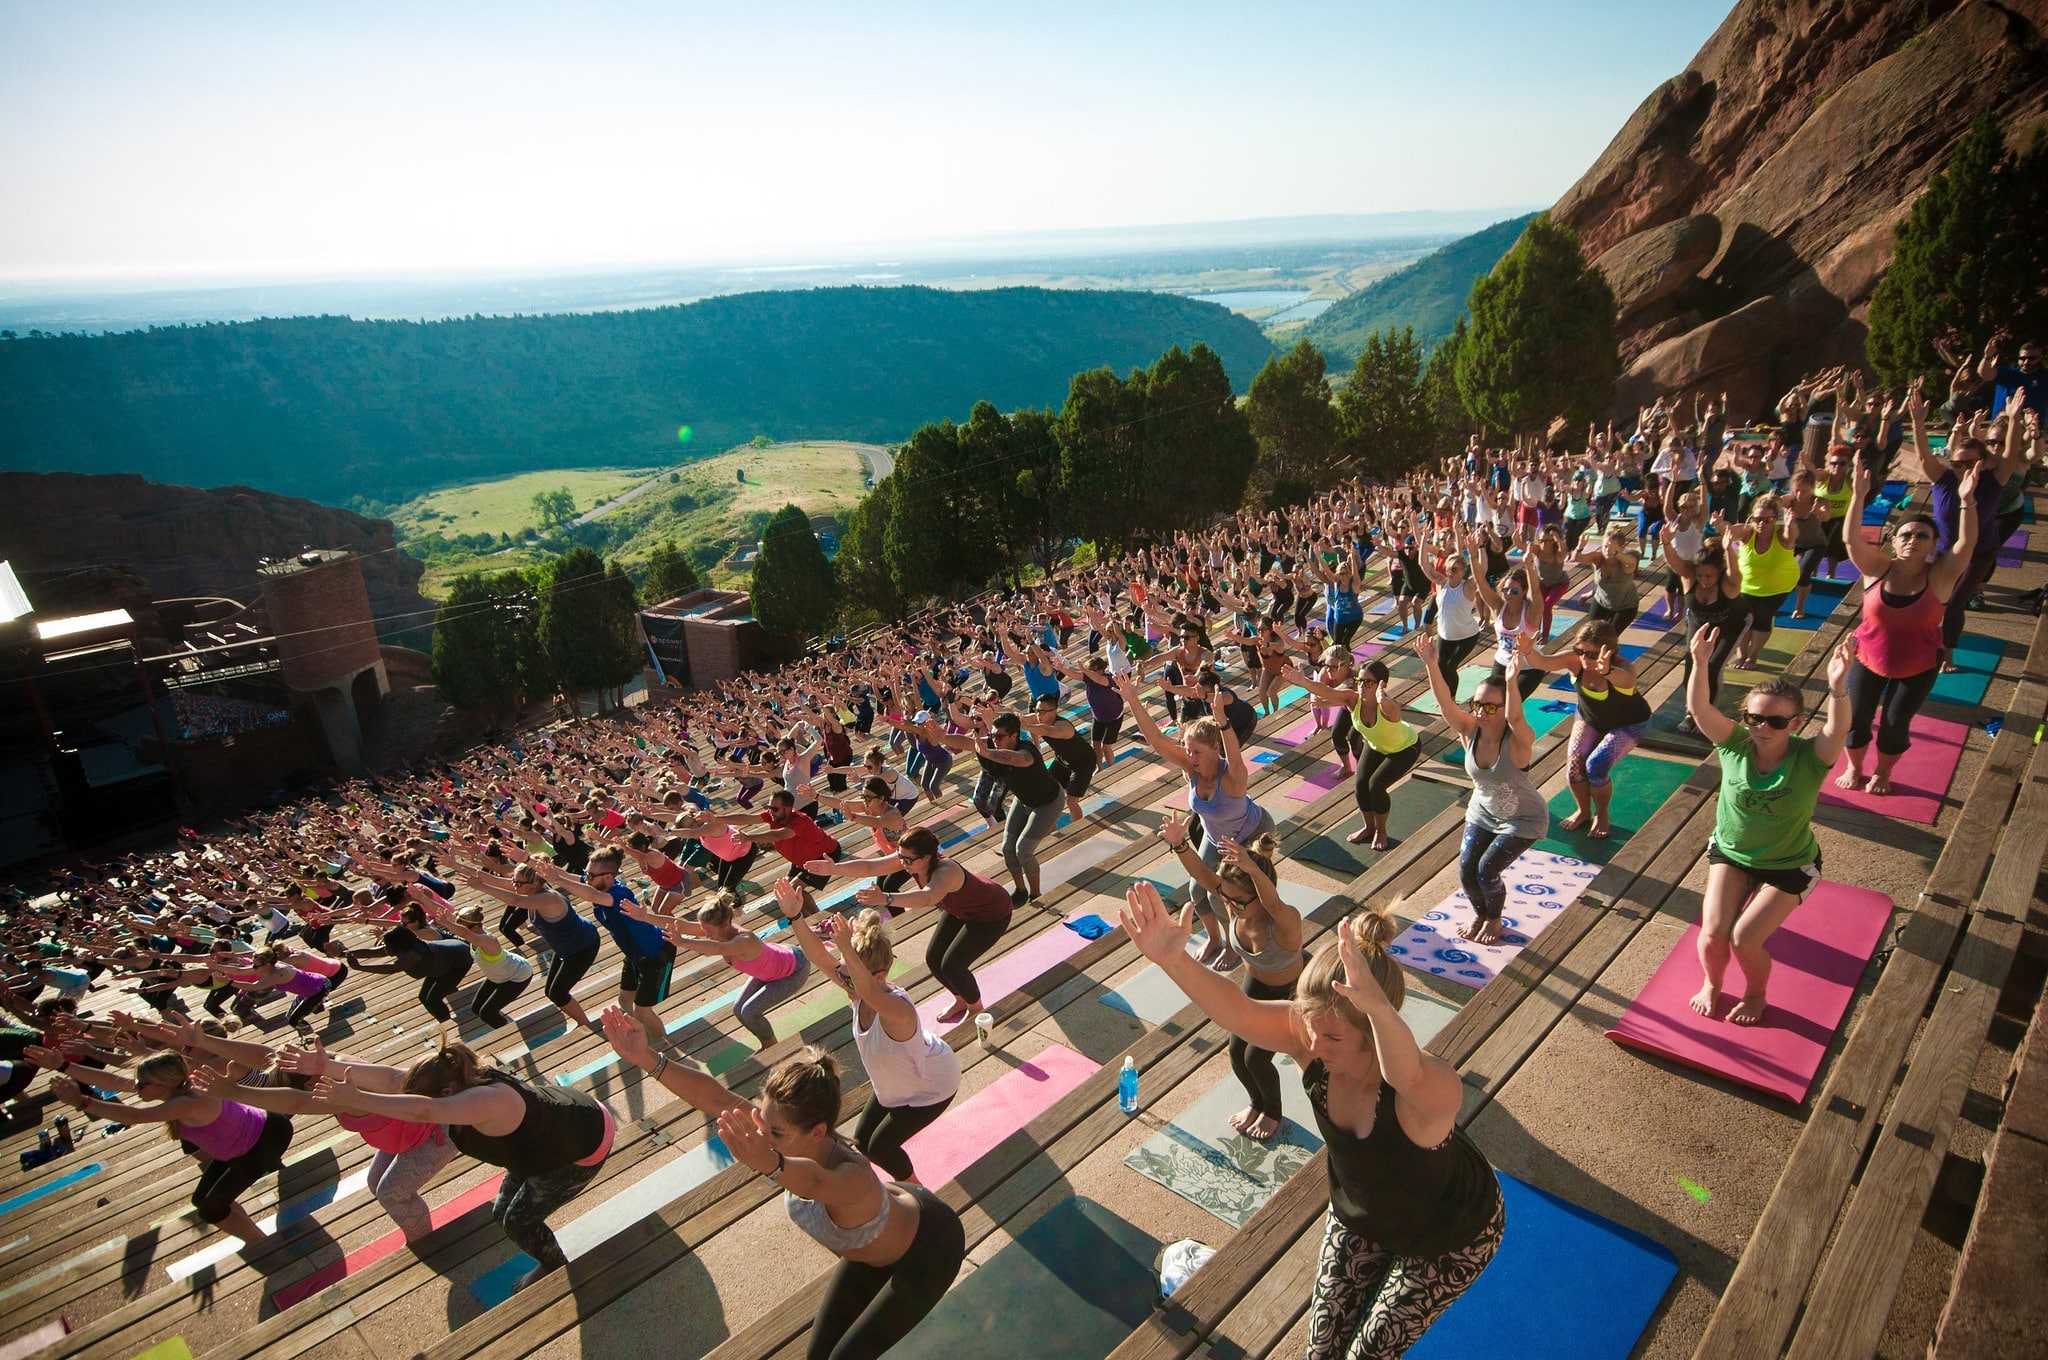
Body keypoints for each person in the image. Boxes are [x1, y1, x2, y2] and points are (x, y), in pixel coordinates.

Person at [1119, 886, 1503, 1360]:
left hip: (1448, 1237)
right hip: (1363, 1214)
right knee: (1321, 1352)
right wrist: (1174, 960)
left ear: (1373, 1028)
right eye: (1310, 1027)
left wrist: (1379, 1008)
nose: (1313, 1045)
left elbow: (1408, 1072)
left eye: (1333, 1036)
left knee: (1367, 1356)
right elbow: (1241, 1013)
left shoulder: (1425, 1092)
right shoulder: (1312, 1034)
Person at [718, 1050, 967, 1360]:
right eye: (763, 1127)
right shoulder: (786, 1129)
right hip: (875, 1246)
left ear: (818, 1131)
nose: (764, 1137)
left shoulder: (853, 1175)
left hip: (930, 1249)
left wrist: (767, 1162)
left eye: (776, 1134)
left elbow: (815, 1183)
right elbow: (713, 1096)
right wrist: (649, 1058)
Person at [314, 1040, 613, 1292]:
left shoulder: (486, 1100)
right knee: (500, 1211)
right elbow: (394, 1080)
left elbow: (423, 1110)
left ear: (446, 1093)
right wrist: (324, 1066)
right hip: (551, 1134)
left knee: (517, 1222)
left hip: (583, 1143)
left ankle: (555, 1267)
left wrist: (358, 1100)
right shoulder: (455, 1079)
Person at [1683, 626, 1853, 1024]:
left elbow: (1837, 730)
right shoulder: (1734, 744)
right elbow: (1701, 709)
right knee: (1712, 934)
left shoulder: (1811, 757)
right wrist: (1702, 662)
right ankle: (1712, 984)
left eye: (1776, 722)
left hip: (1790, 865)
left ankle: (1756, 995)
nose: (1763, 728)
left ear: (1796, 723)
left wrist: (1838, 689)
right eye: (1755, 718)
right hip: (1731, 853)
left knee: (1745, 939)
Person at [783, 891, 960, 1182]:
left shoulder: (897, 1010)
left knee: (880, 1147)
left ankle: (918, 1194)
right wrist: (795, 917)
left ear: (879, 977)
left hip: (934, 1085)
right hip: (898, 1083)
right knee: (863, 1142)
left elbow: (866, 991)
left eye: (849, 972)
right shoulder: (858, 989)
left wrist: (847, 951)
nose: (841, 976)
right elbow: (820, 958)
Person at [1834, 459, 1978, 793]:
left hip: (1918, 664)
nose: (1913, 539)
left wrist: (1967, 500)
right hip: (1867, 657)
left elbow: (1967, 545)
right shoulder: (1877, 568)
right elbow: (1851, 540)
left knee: (1895, 724)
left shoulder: (1940, 576)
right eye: (1906, 535)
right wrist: (1858, 495)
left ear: (1932, 545)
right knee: (1856, 719)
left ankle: (1883, 773)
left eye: (1922, 536)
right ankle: (1854, 767)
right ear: (1895, 541)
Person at [52, 1050, 295, 1245]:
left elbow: (133, 1117)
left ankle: (263, 1245)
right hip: (248, 1139)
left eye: (141, 1084)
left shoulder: (188, 1101)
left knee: (211, 1209)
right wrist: (63, 1065)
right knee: (202, 1200)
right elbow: (113, 1081)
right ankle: (256, 1237)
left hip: (265, 1138)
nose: (136, 1088)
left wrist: (81, 1102)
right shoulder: (177, 1088)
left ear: (160, 1084)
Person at [1158, 817, 1304, 1140]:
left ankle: (1273, 1113)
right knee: (1237, 1052)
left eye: (1236, 901)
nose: (1228, 904)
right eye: (1226, 897)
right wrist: (1180, 842)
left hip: (1290, 990)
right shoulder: (1235, 900)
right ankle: (1257, 1102)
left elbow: (1274, 901)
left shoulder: (1283, 923)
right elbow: (1200, 874)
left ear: (1258, 894)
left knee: (1257, 1056)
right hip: (1256, 982)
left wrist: (1253, 868)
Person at [1119, 672, 1271, 972]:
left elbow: (1236, 757)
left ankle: (1233, 945)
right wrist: (1133, 700)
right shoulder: (1192, 767)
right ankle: (1215, 939)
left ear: (1215, 748)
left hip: (1250, 835)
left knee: (1223, 897)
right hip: (1218, 838)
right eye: (1188, 752)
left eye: (1197, 752)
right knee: (1196, 892)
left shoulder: (1233, 777)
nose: (1191, 758)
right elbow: (1157, 740)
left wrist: (1223, 722)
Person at [809, 826, 1014, 1026]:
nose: (902, 863)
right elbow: (871, 866)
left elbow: (927, 898)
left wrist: (886, 898)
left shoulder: (946, 870)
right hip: (959, 909)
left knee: (953, 965)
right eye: (900, 856)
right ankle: (961, 999)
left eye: (907, 859)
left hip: (991, 913)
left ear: (926, 857)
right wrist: (835, 868)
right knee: (933, 959)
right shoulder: (911, 860)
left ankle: (976, 1008)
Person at [1416, 636, 1548, 946]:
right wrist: (1432, 665)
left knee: (1487, 870)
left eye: (1490, 706)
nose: (1481, 711)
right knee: (1466, 871)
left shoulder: (1519, 740)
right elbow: (1446, 704)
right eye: (1477, 704)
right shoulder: (1470, 730)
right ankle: (1479, 913)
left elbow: (1515, 717)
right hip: (1482, 810)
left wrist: (1512, 680)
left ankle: (1494, 918)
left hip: (1523, 818)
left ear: (1503, 708)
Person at [1516, 620, 1651, 839]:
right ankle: (1583, 811)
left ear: (1609, 651)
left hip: (1629, 724)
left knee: (1596, 765)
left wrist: (1606, 671)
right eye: (1580, 651)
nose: (1584, 657)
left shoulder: (1624, 669)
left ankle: (1602, 814)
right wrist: (1528, 651)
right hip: (1591, 717)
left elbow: (1626, 680)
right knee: (1574, 767)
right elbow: (1542, 662)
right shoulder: (1575, 661)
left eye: (1591, 654)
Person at [532, 847, 675, 1051]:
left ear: (608, 877)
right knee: (624, 999)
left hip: (655, 955)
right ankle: (646, 1041)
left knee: (642, 1011)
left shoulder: (617, 895)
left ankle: (665, 1047)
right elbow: (572, 877)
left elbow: (590, 894)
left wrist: (560, 881)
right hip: (635, 955)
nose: (586, 878)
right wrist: (528, 860)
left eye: (590, 875)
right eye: (587, 873)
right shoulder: (603, 885)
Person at [633, 890, 811, 1048]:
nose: (706, 934)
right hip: (773, 966)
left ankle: (771, 1046)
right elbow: (682, 924)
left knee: (749, 1013)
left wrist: (683, 942)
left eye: (709, 931)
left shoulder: (744, 940)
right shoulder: (719, 929)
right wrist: (645, 917)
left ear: (726, 924)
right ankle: (767, 1044)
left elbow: (719, 949)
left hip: (794, 970)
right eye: (704, 929)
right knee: (738, 1009)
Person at [1285, 658, 1419, 852]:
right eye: (1360, 681)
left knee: (1376, 786)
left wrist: (1383, 700)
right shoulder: (1352, 699)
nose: (1362, 686)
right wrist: (1303, 682)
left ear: (1382, 685)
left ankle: (1381, 831)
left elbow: (1395, 712)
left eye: (1369, 682)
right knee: (1360, 784)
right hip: (1376, 745)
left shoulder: (1388, 706)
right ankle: (1368, 827)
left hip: (1404, 749)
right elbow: (1328, 692)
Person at [456, 861, 603, 1030]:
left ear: (534, 883)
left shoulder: (548, 898)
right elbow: (494, 880)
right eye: (514, 880)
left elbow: (514, 899)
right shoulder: (528, 889)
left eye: (518, 882)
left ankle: (586, 1025)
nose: (513, 884)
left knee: (557, 993)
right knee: (550, 992)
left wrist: (481, 887)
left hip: (583, 946)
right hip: (566, 947)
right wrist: (456, 864)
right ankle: (583, 1023)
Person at [1660, 531, 1745, 734]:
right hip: (1699, 625)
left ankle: (1706, 714)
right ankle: (1691, 712)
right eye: (1700, 575)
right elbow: (1674, 562)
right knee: (1691, 669)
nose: (1704, 580)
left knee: (1713, 668)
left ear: (1719, 572)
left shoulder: (1729, 582)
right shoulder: (1690, 577)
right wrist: (1665, 541)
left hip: (1730, 627)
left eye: (1709, 576)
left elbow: (1735, 573)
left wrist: (1729, 550)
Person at [343, 902, 474, 1024]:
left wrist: (360, 967)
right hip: (442, 962)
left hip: (459, 962)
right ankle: (445, 1018)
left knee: (433, 1000)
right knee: (424, 997)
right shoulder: (405, 945)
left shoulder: (413, 954)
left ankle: (447, 1023)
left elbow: (392, 968)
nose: (385, 948)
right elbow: (376, 952)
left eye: (387, 945)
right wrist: (347, 954)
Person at [419, 894, 535, 1030]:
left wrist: (446, 923)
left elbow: (463, 932)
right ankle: (506, 1023)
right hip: (499, 976)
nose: (457, 929)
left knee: (486, 1013)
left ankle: (508, 1031)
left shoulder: (488, 940)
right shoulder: (474, 933)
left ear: (474, 928)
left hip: (517, 976)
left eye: (461, 927)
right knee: (476, 1008)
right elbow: (447, 915)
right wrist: (422, 898)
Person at [1722, 493, 1801, 670]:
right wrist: (1720, 524)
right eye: (1757, 519)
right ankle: (1741, 654)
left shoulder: (1781, 534)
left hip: (1777, 587)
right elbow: (1730, 531)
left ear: (1775, 519)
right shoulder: (1748, 532)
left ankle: (1753, 655)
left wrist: (1790, 524)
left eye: (1768, 520)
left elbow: (1791, 536)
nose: (1762, 524)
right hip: (1747, 585)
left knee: (1762, 618)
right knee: (1743, 620)